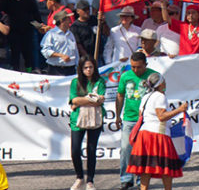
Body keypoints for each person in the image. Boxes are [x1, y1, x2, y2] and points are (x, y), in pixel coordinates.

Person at [126, 73, 188, 190]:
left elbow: (141, 115)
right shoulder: (160, 96)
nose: (165, 83)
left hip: (144, 134)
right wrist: (180, 109)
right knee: (166, 167)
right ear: (160, 84)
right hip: (157, 134)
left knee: (146, 168)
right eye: (163, 81)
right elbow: (161, 116)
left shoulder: (145, 97)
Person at [115, 52, 156, 190]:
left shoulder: (154, 76)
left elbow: (159, 96)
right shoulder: (126, 76)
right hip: (129, 118)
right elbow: (120, 95)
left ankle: (141, 179)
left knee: (144, 151)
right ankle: (126, 179)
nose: (135, 70)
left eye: (138, 67)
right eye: (133, 66)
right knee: (126, 148)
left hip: (147, 120)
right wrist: (117, 115)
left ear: (145, 64)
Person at [69, 56, 105, 190]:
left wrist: (81, 100)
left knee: (91, 149)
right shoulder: (75, 82)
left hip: (95, 118)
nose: (88, 70)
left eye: (90, 67)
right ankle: (79, 177)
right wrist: (91, 98)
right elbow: (73, 100)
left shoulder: (100, 81)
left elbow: (100, 99)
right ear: (81, 69)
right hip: (77, 119)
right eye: (85, 67)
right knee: (75, 150)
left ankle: (90, 180)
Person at [0, 0, 40, 71]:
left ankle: (29, 72)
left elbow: (35, 13)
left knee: (28, 54)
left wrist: (40, 24)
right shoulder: (7, 0)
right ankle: (15, 73)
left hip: (27, 31)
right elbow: (1, 13)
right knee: (15, 55)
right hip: (13, 32)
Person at [40, 10, 79, 76]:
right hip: (56, 70)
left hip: (71, 70)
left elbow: (75, 51)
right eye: (68, 19)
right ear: (61, 21)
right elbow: (45, 51)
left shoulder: (70, 34)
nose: (70, 21)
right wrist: (61, 55)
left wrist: (78, 66)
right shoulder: (51, 34)